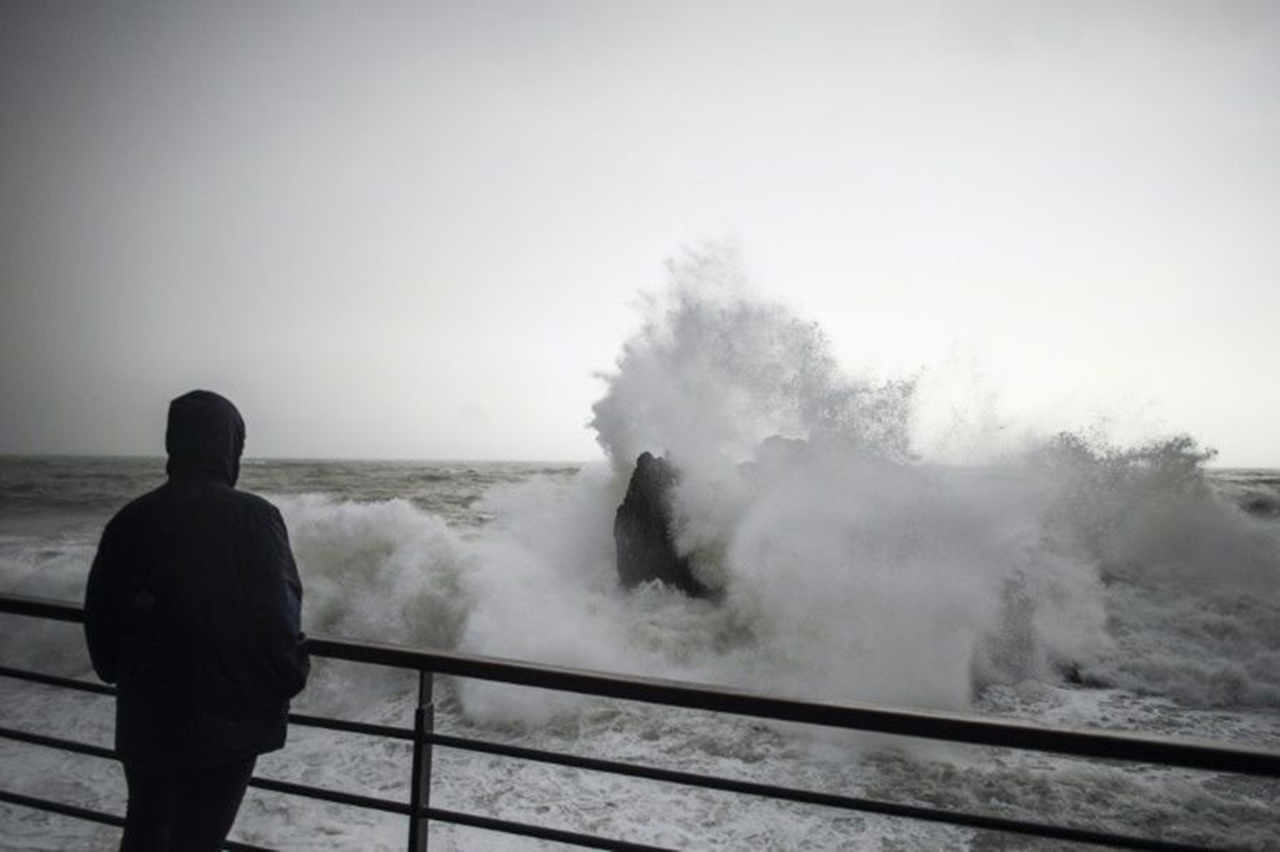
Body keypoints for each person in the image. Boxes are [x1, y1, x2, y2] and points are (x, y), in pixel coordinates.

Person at [84, 390, 309, 851]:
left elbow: (103, 641)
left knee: (145, 833)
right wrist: (292, 676)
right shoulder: (255, 519)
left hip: (146, 721)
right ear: (229, 445)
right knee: (198, 840)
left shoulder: (130, 520)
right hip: (227, 728)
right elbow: (279, 619)